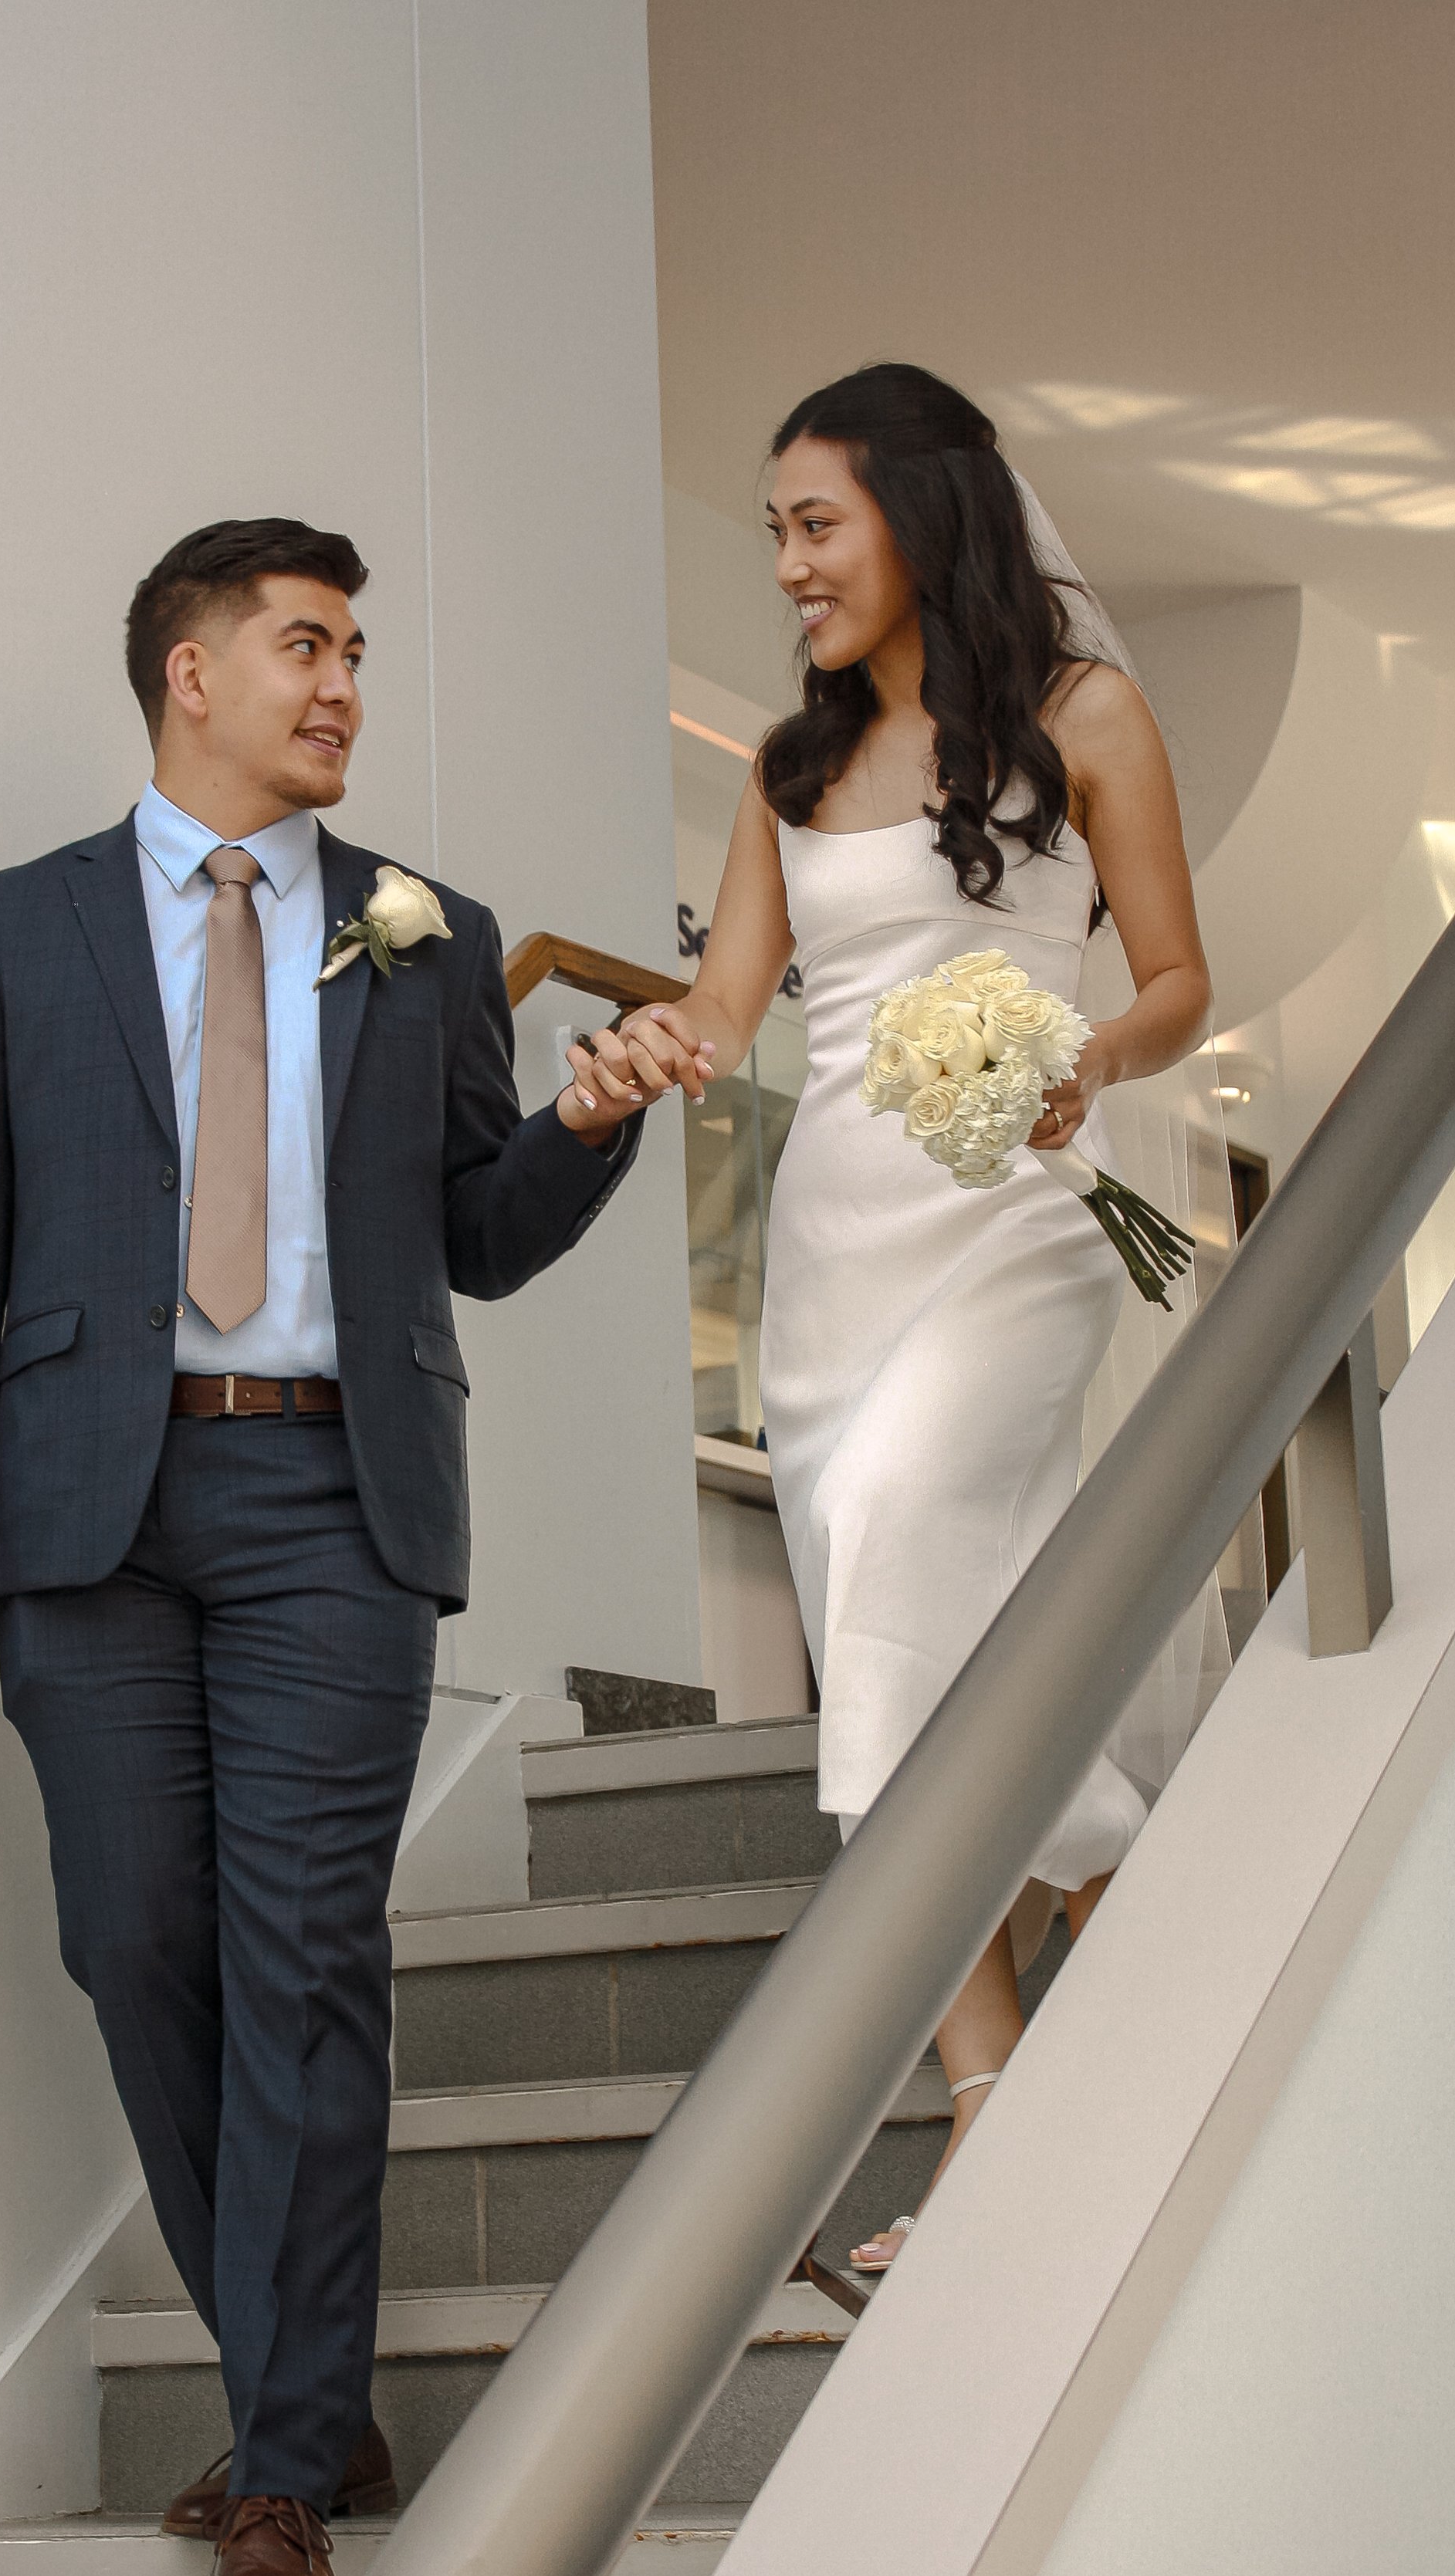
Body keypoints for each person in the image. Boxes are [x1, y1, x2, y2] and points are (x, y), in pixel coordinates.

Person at [0, 517, 701, 2576]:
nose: (339, 685)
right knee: (135, 1942)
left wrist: (588, 1119)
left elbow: (478, 1238)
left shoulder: (427, 938)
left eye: (352, 651)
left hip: (336, 1500)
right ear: (188, 675)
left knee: (305, 1951)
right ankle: (301, 2399)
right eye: (302, 646)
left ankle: (280, 2472)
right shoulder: (20, 929)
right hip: (87, 1520)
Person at [618, 367, 1213, 2277]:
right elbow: (726, 1012)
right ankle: (1007, 2071)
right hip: (833, 1254)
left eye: (813, 522)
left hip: (1021, 1221)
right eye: (773, 529)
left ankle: (1056, 2006)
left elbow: (1179, 978)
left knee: (885, 1570)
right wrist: (655, 1047)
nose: (782, 564)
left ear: (920, 514)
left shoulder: (1085, 717)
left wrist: (1083, 1056)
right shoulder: (783, 770)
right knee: (902, 1631)